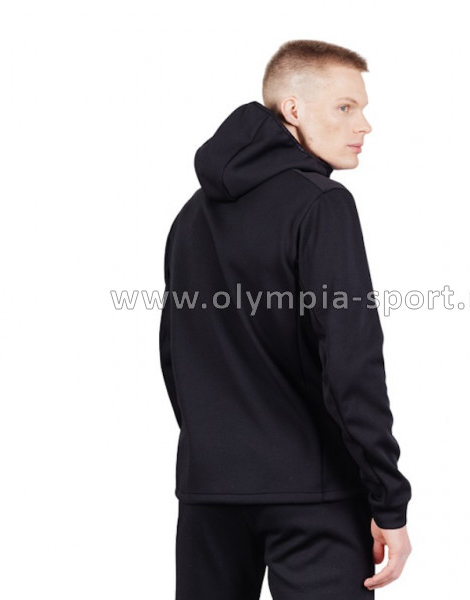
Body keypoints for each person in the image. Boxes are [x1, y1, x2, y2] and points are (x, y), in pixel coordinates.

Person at [159, 39, 412, 599]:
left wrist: (215, 446)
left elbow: (175, 354)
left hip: (209, 495)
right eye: (345, 107)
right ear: (293, 109)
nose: (364, 125)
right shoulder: (321, 204)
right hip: (314, 497)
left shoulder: (191, 215)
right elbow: (351, 364)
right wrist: (388, 501)